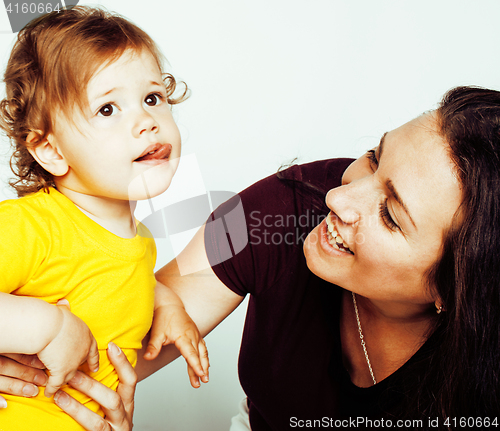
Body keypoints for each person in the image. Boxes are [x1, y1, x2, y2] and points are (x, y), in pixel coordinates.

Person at [2, 86, 500, 430]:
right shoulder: (282, 210)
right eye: (373, 155)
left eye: (390, 215)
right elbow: (112, 339)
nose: (338, 199)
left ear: (455, 288)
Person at [0, 6, 209, 431]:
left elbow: (113, 280)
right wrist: (49, 324)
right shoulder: (31, 226)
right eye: (108, 109)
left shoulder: (140, 241)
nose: (146, 121)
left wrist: (165, 303)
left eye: (152, 99)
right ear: (52, 150)